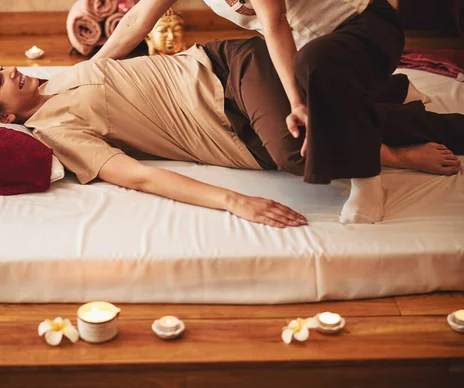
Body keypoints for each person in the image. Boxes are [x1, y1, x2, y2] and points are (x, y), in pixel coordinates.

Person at [0, 39, 463, 229]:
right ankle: (396, 132)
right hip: (237, 127)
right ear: (5, 118)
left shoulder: (62, 75)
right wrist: (234, 202)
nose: (12, 71)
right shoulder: (55, 131)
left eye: (0, 67)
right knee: (313, 138)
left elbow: (128, 39)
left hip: (231, 63)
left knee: (298, 150)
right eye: (1, 81)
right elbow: (141, 177)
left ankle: (388, 153)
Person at [91, 0, 438, 223]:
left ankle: (368, 176)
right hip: (310, 54)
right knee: (302, 118)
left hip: (363, 29)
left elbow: (275, 25)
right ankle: (395, 97)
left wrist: (297, 104)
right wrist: (88, 69)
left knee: (312, 76)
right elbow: (138, 17)